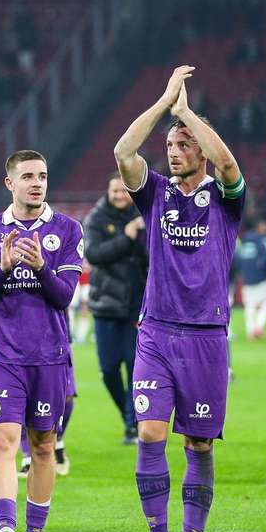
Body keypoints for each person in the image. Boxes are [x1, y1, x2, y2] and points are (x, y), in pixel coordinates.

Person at [113, 66, 245, 532]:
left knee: (198, 442)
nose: (175, 150)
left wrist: (188, 113)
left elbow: (229, 164)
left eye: (185, 143)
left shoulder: (225, 200)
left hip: (207, 337)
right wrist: (165, 102)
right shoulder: (156, 194)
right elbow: (125, 153)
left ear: (202, 151)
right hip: (157, 333)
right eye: (171, 143)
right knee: (149, 432)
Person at [0, 150, 84, 532]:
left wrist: (42, 268)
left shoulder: (68, 230)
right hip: (2, 357)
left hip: (49, 357)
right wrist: (3, 269)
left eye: (43, 176)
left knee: (45, 445)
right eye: (28, 176)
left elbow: (65, 296)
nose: (37, 182)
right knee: (3, 442)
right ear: (9, 183)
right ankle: (6, 530)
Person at [83, 171, 148, 445]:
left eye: (124, 191)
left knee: (135, 367)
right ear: (108, 193)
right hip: (106, 305)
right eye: (115, 192)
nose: (120, 196)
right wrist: (127, 236)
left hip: (136, 305)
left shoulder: (145, 215)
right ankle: (128, 416)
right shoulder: (96, 219)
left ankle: (133, 426)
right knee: (109, 369)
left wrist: (140, 233)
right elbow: (94, 255)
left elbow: (152, 257)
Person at [235, 219, 266, 339]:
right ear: (258, 227)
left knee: (249, 307)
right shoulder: (261, 242)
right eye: (263, 225)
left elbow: (238, 260)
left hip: (247, 279)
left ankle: (250, 332)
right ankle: (258, 327)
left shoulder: (243, 242)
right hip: (260, 279)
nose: (265, 228)